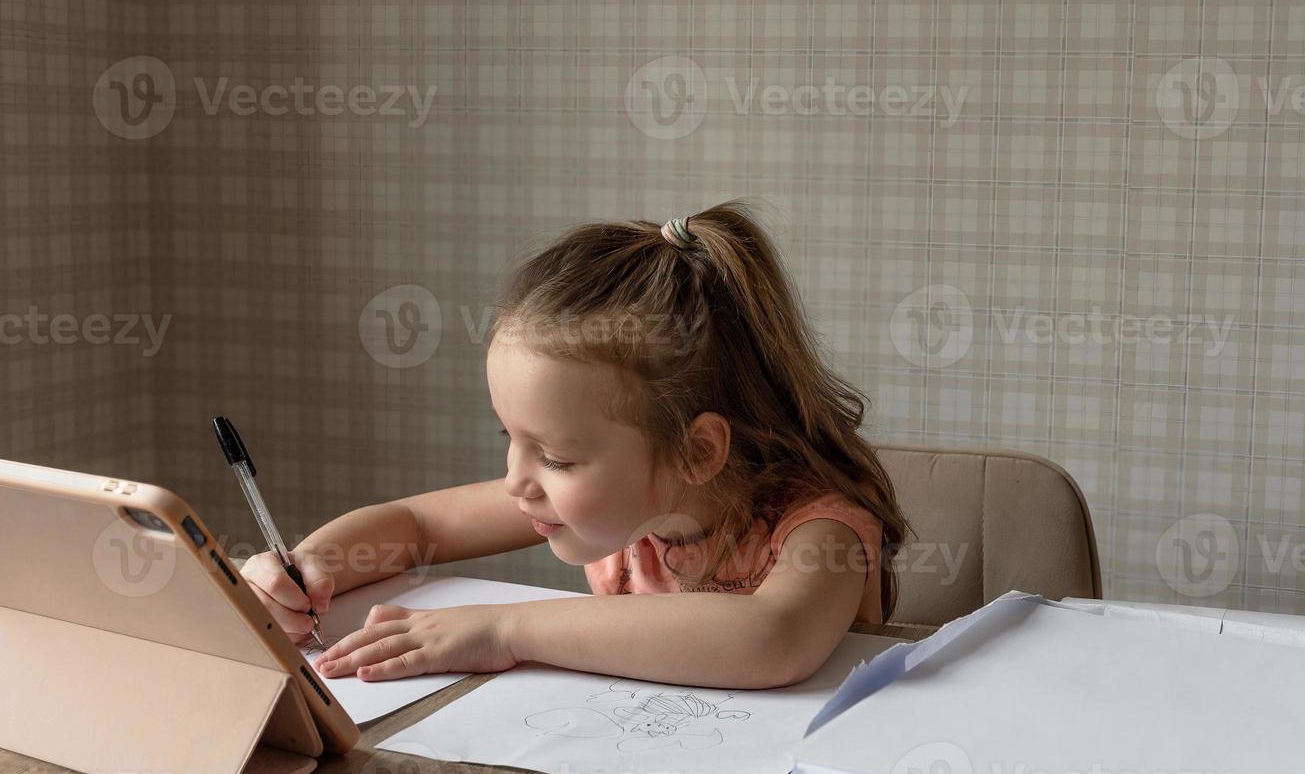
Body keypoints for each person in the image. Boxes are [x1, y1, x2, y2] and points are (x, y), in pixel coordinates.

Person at [240, 200, 913, 689]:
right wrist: (308, 568)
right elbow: (416, 527)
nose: (517, 482)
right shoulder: (609, 500)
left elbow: (772, 639)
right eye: (511, 440)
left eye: (557, 458)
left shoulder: (820, 530)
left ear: (698, 453)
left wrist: (506, 629)